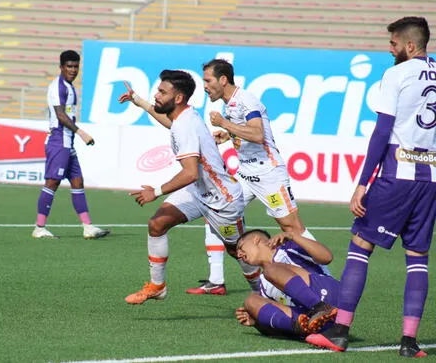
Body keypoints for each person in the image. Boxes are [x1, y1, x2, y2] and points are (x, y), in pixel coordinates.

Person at [306, 17, 436, 358]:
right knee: (418, 257)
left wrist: (363, 183)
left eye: (393, 44)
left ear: (409, 46)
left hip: (396, 174)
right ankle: (409, 342)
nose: (389, 49)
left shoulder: (396, 74)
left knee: (360, 244)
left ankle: (340, 332)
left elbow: (382, 132)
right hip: (430, 179)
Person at [118, 70, 261, 305]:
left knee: (239, 251)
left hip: (222, 200)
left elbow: (190, 172)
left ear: (178, 98)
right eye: (158, 90)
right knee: (157, 224)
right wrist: (139, 101)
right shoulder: (182, 117)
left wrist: (155, 191)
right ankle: (157, 286)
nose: (157, 95)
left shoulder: (185, 125)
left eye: (163, 92)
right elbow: (169, 123)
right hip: (198, 191)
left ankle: (263, 293)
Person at [186, 59, 326, 297]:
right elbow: (246, 133)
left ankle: (323, 275)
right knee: (217, 209)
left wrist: (225, 124)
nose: (205, 86)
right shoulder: (229, 105)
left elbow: (258, 134)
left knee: (291, 226)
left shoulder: (246, 100)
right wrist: (228, 135)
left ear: (223, 79)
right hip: (246, 173)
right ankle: (216, 280)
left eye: (208, 81)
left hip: (268, 174)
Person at [31, 50, 110, 240]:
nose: (73, 70)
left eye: (76, 67)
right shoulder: (58, 87)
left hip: (68, 142)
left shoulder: (69, 87)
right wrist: (81, 132)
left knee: (77, 181)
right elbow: (60, 115)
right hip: (59, 141)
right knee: (52, 182)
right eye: (69, 66)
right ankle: (39, 228)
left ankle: (88, 227)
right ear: (61, 67)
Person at [234, 229, 339, 338]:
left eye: (240, 247)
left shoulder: (288, 247)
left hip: (329, 296)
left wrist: (293, 235)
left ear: (255, 239)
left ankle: (321, 308)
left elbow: (327, 257)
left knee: (271, 269)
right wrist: (256, 323)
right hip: (313, 318)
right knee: (251, 301)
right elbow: (277, 327)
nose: (238, 254)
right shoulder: (263, 284)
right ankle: (303, 326)